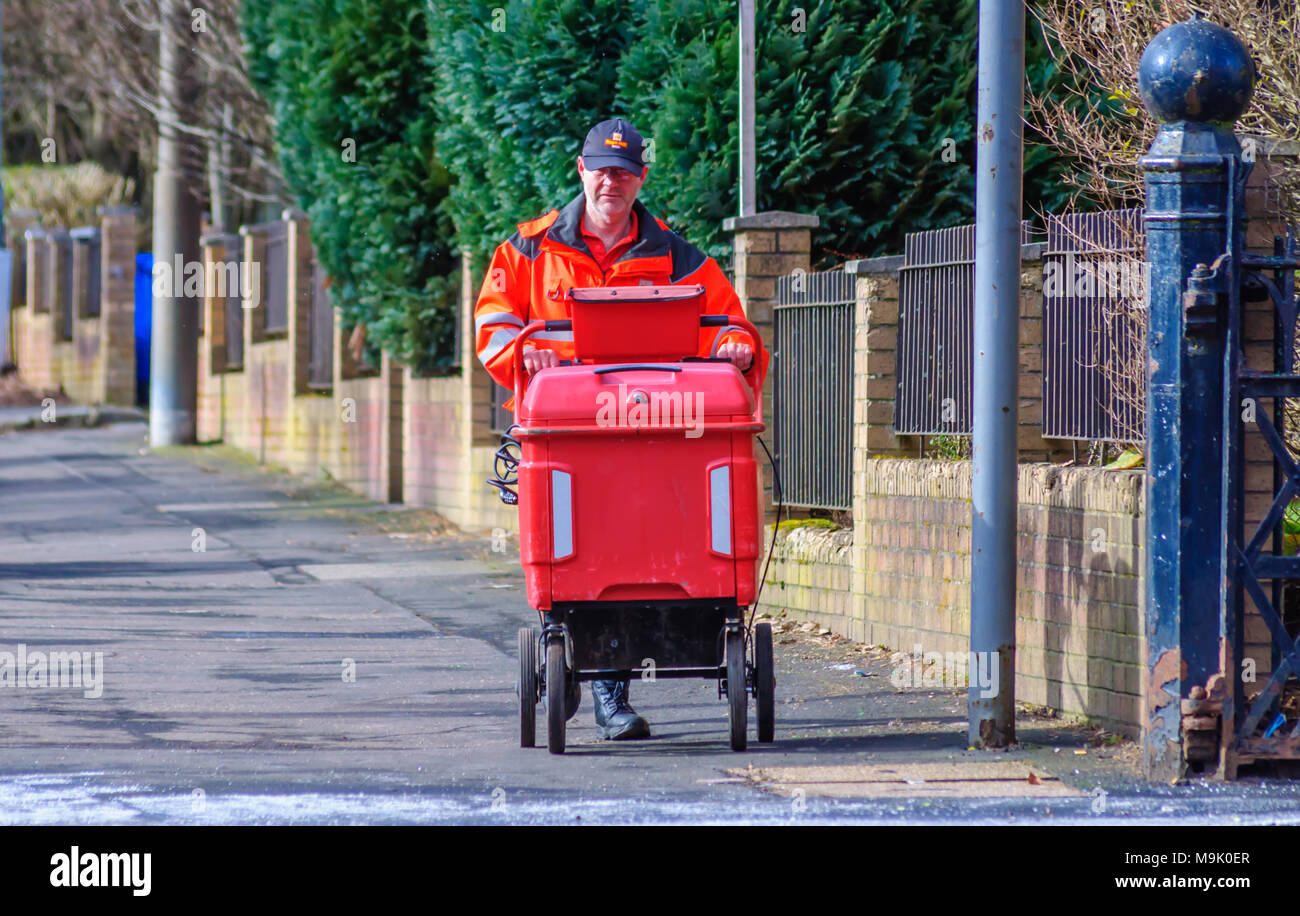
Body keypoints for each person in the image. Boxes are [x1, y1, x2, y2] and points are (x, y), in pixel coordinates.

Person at [475, 117, 769, 740]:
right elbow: (493, 326)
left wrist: (738, 347)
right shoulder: (527, 251)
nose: (613, 181)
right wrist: (524, 352)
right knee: (587, 553)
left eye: (625, 171)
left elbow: (727, 322)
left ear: (641, 178)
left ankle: (611, 681)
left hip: (655, 433)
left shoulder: (675, 254)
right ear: (580, 172)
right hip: (568, 436)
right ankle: (603, 681)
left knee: (639, 545)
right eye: (601, 170)